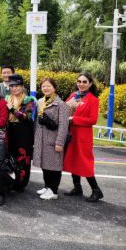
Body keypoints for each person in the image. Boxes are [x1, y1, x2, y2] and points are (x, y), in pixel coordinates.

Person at [63, 72, 103, 202]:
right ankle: (77, 188)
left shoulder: (93, 100)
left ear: (90, 84)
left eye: (85, 82)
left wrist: (73, 119)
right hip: (71, 134)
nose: (81, 84)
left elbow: (92, 120)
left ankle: (96, 190)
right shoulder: (72, 95)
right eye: (79, 81)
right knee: (73, 160)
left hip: (83, 137)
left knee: (85, 163)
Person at [33, 78, 70, 200]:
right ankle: (47, 186)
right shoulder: (40, 102)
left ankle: (53, 191)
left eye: (48, 86)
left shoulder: (61, 104)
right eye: (43, 86)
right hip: (41, 139)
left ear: (54, 88)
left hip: (53, 140)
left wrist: (60, 142)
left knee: (54, 166)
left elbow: (64, 125)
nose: (46, 88)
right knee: (45, 164)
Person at [5, 74, 36, 191]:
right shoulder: (7, 98)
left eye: (17, 86)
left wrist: (12, 109)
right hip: (10, 130)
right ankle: (11, 181)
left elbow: (26, 117)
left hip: (23, 131)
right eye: (12, 86)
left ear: (22, 86)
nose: (14, 88)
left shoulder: (29, 99)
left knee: (23, 158)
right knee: (10, 156)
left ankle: (21, 184)